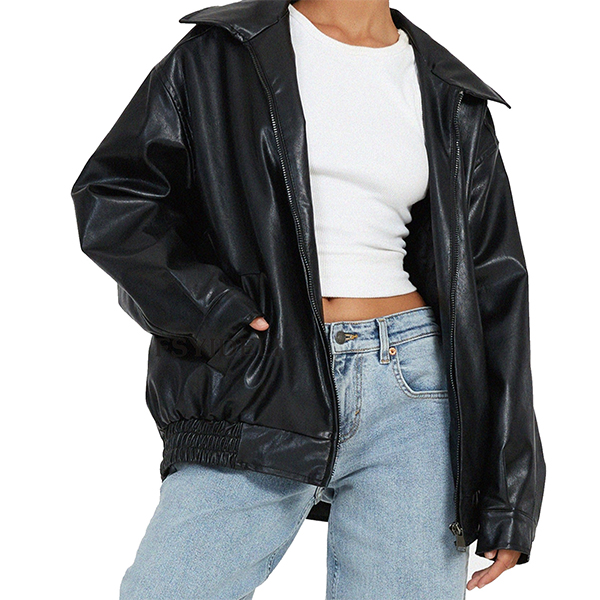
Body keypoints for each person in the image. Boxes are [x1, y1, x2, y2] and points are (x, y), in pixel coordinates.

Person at [70, 1, 546, 598]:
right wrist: (216, 315)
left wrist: (510, 491)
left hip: (415, 393)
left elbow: (494, 284)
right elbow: (115, 198)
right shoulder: (224, 53)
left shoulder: (449, 91)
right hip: (263, 375)